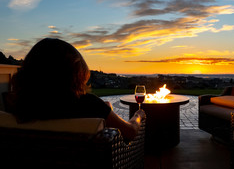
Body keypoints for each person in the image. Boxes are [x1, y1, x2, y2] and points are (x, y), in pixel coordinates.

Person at [8, 38, 145, 141]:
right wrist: (138, 116)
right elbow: (130, 132)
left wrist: (104, 110)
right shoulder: (88, 105)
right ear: (72, 74)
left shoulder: (17, 107)